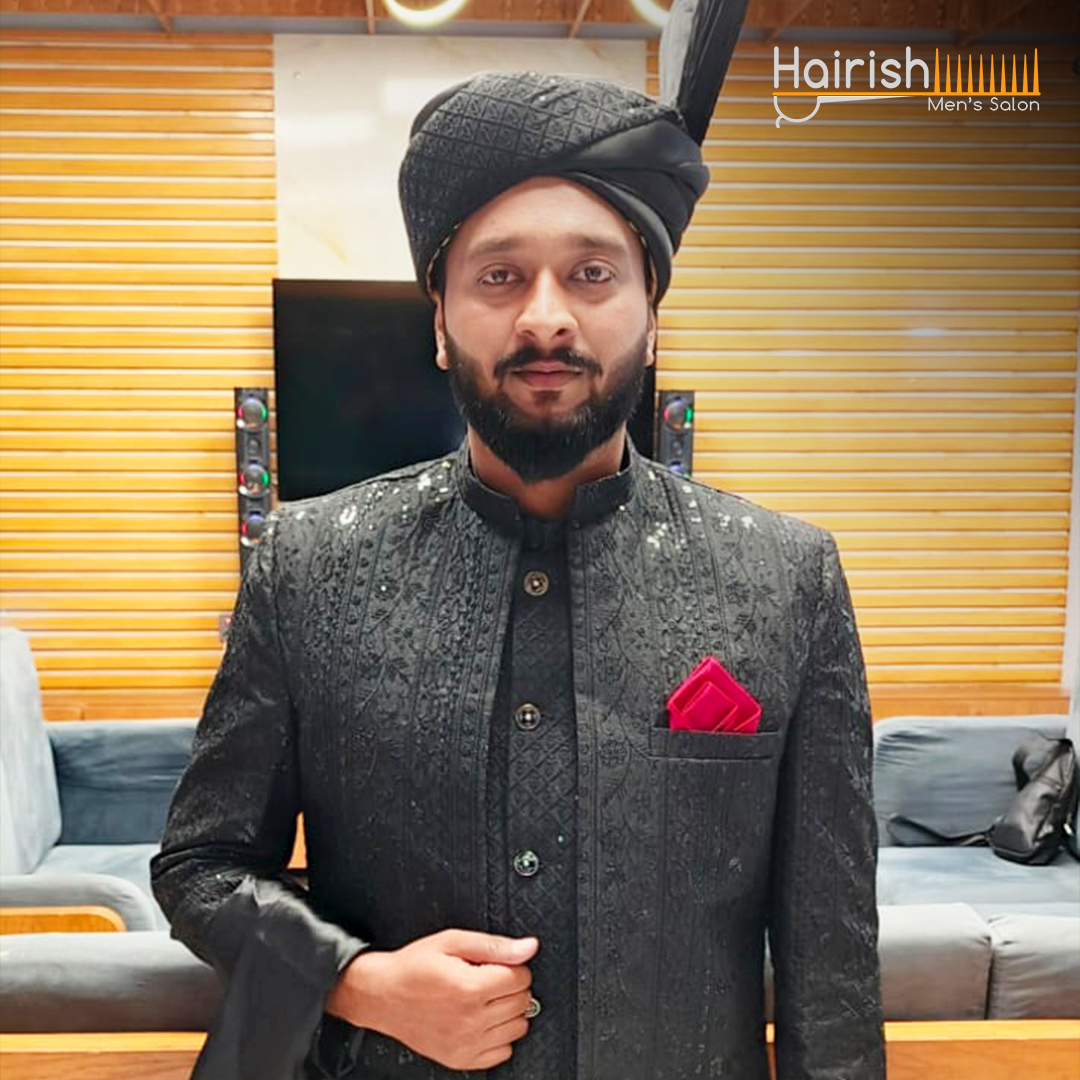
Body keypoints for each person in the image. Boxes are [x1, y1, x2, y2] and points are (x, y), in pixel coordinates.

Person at [152, 69, 885, 1080]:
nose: (546, 318)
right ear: (440, 321)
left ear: (652, 314)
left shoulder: (787, 580)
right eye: (499, 276)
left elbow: (832, 973)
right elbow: (201, 867)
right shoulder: (309, 567)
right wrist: (360, 981)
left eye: (592, 273)